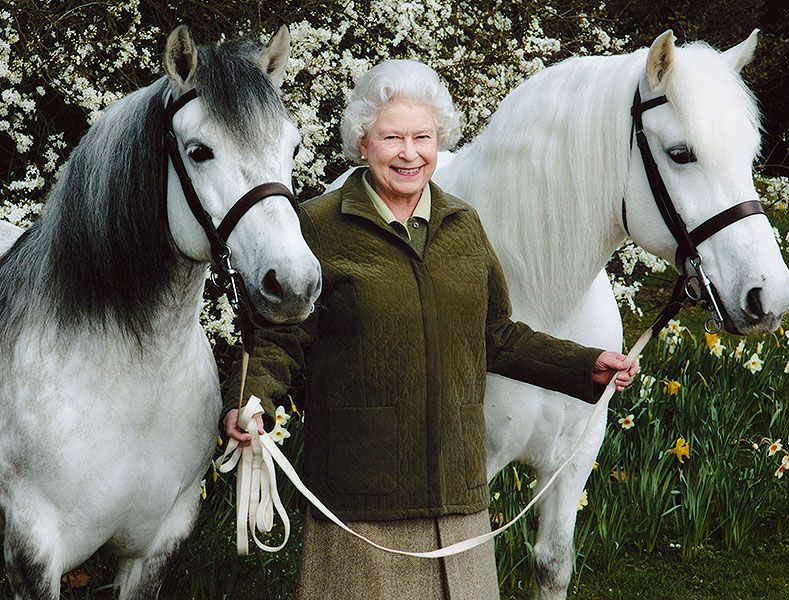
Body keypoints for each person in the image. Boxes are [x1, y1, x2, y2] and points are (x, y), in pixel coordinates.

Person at [222, 59, 637, 600]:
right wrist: (248, 400)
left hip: (459, 505)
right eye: (392, 136)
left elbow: (497, 336)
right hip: (362, 506)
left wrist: (584, 365)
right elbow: (281, 337)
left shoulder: (463, 225)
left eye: (423, 137)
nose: (409, 152)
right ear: (362, 142)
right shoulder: (319, 225)